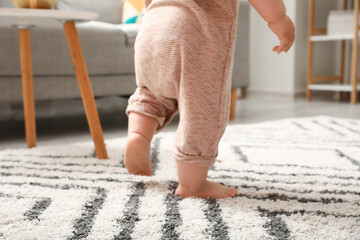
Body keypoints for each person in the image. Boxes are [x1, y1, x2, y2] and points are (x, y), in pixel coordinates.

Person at [124, 0, 295, 199]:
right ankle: (193, 185)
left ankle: (138, 135)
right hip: (194, 32)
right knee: (202, 108)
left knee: (152, 93)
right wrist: (279, 19)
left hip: (152, 28)